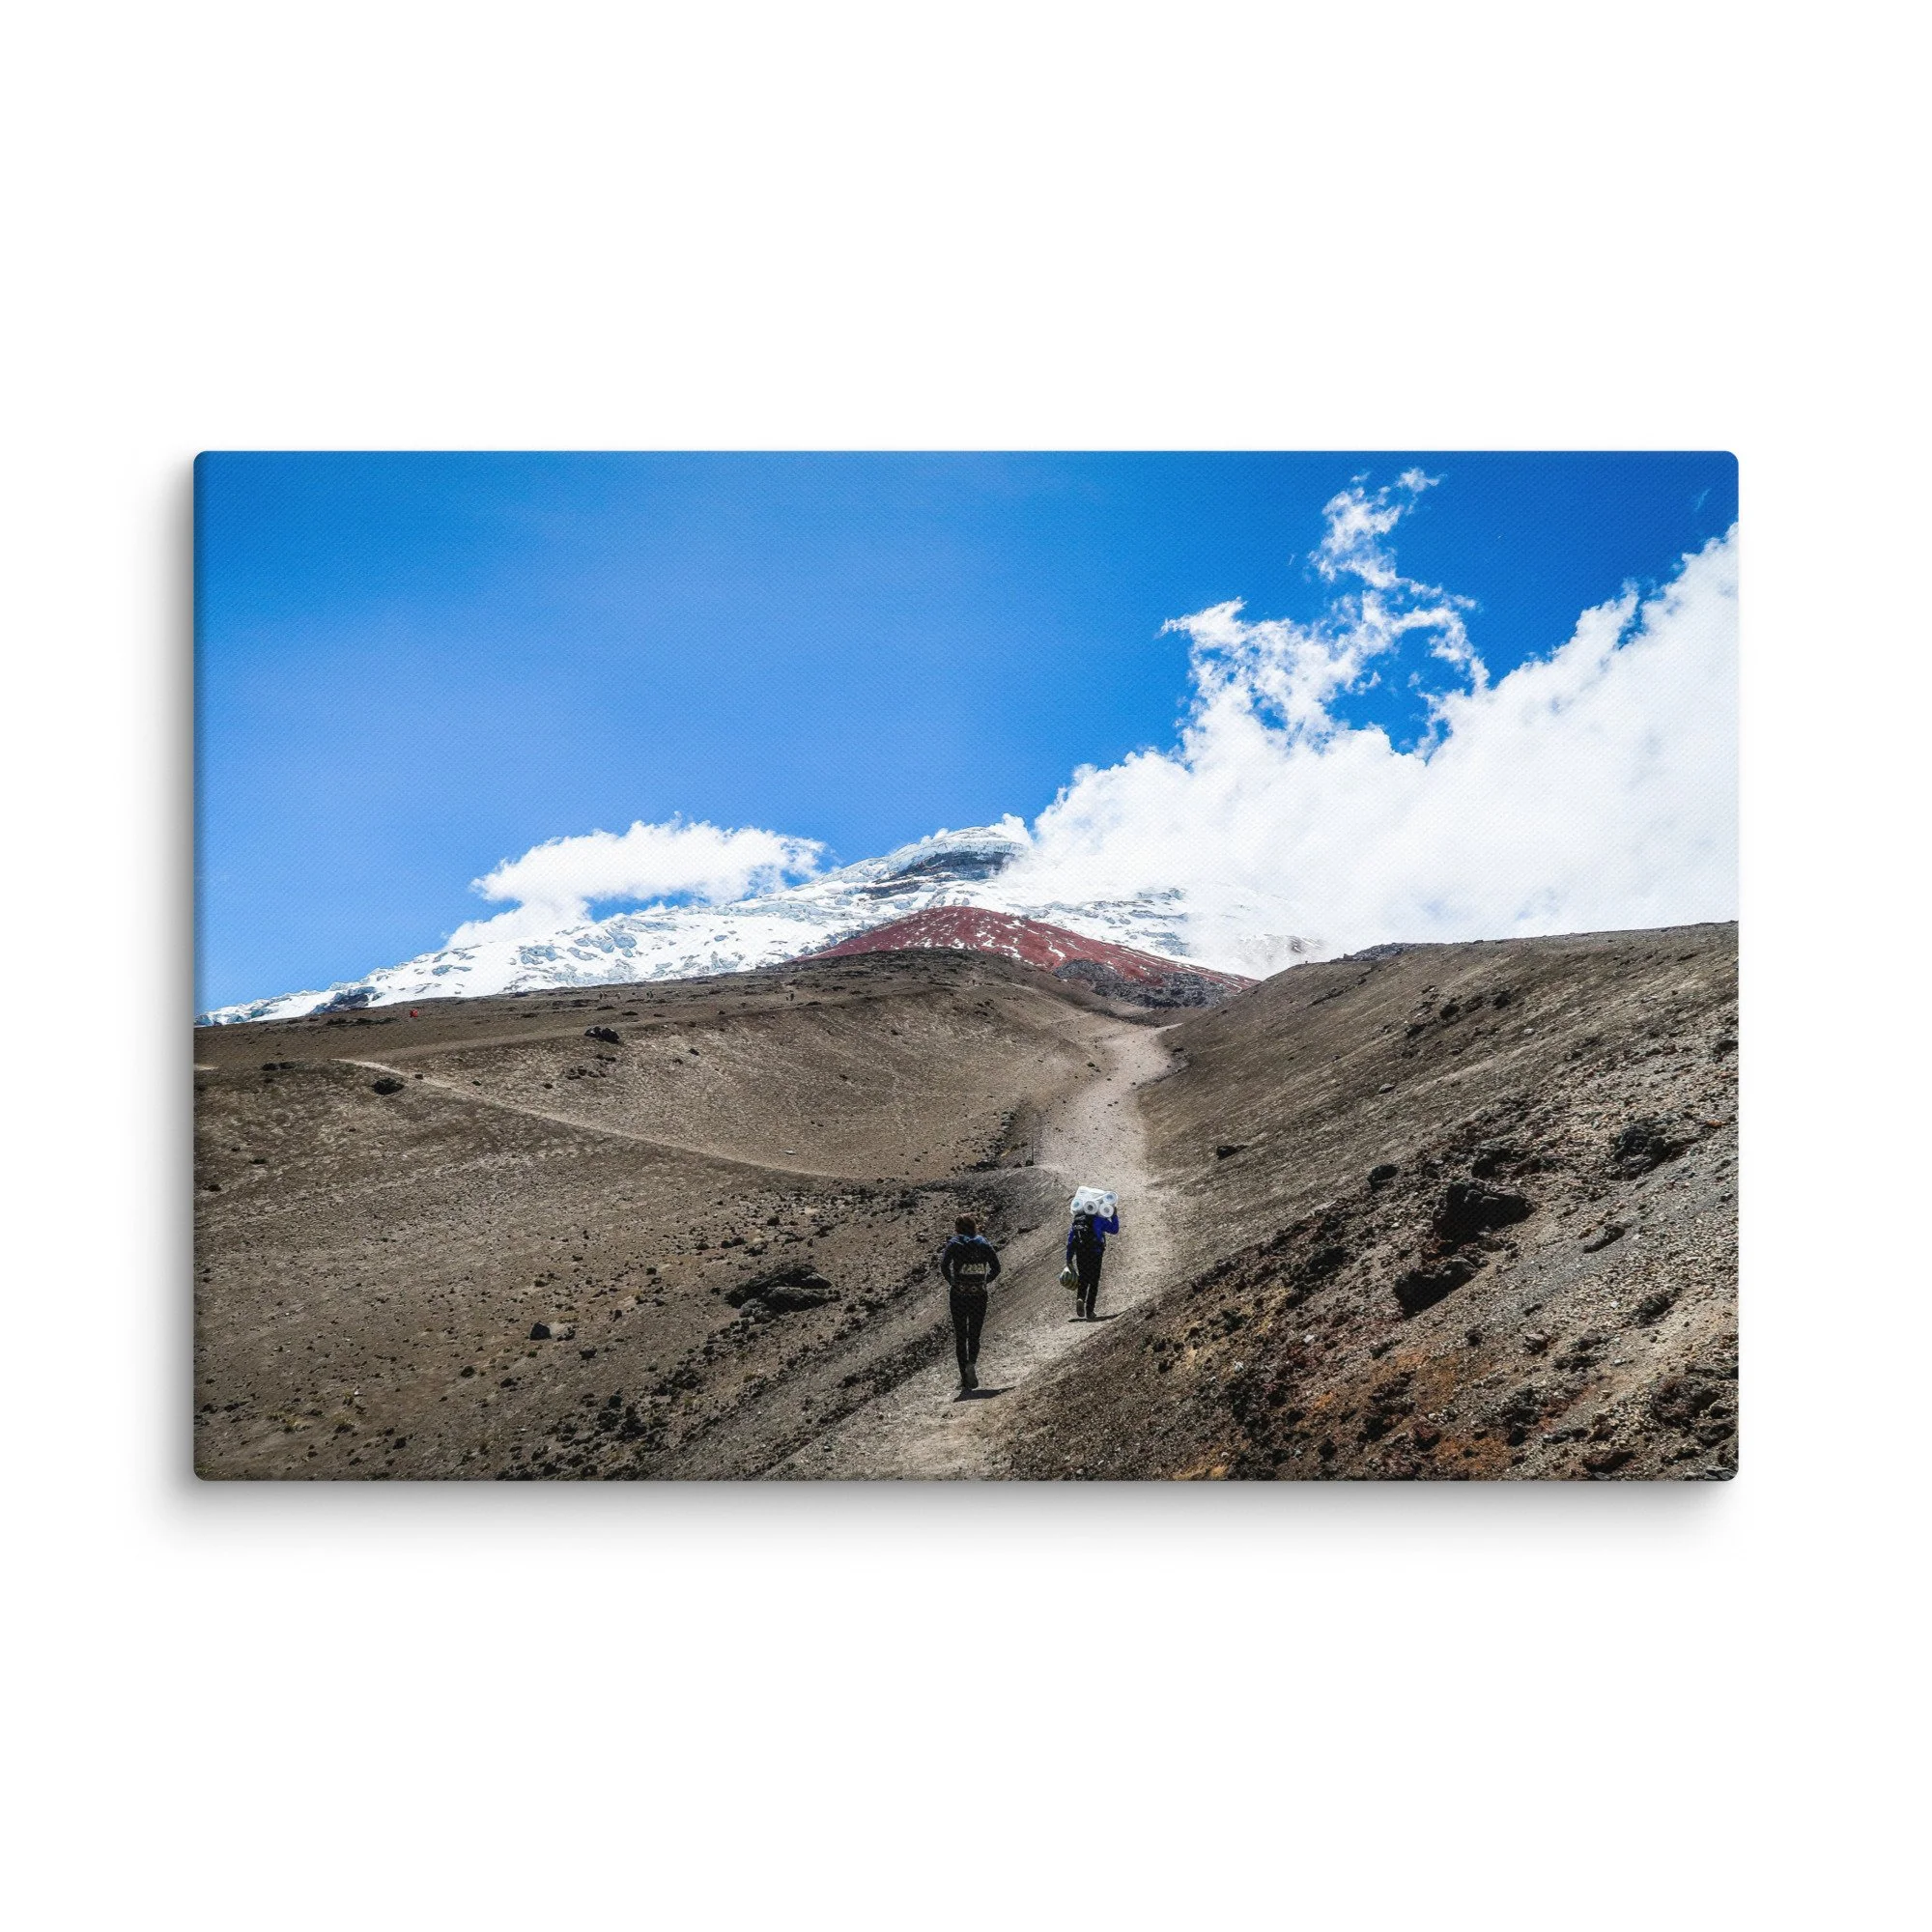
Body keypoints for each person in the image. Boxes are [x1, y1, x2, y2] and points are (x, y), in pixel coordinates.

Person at [938, 1213, 1001, 1393]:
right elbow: (997, 1268)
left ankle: (964, 1379)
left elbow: (944, 1266)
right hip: (979, 1295)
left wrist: (953, 1281)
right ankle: (971, 1363)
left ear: (957, 1228)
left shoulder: (954, 1244)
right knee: (974, 1334)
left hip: (958, 1295)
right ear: (974, 1226)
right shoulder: (983, 1243)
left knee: (960, 1336)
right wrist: (984, 1281)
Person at [1066, 1200, 1121, 1321]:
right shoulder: (1099, 1219)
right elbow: (1115, 1229)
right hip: (1095, 1253)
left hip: (1081, 1253)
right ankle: (1089, 1311)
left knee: (1083, 1278)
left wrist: (1069, 1259)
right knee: (1094, 1282)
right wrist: (1114, 1215)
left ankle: (1080, 1297)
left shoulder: (1078, 1221)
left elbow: (1071, 1241)